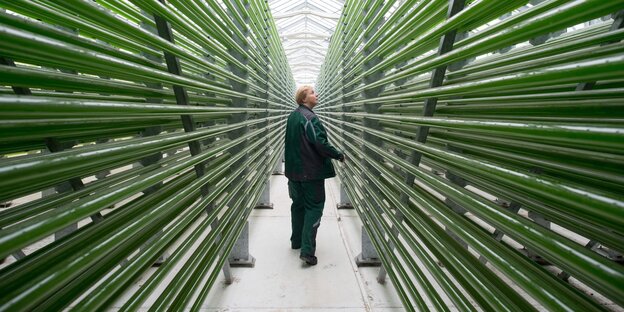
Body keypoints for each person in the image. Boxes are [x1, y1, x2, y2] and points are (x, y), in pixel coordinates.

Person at [285, 85, 345, 266]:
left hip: (294, 173)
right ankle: (307, 252)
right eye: (312, 93)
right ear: (304, 99)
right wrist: (338, 154)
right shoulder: (309, 118)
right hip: (310, 174)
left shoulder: (293, 116)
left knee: (298, 206)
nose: (316, 94)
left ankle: (296, 242)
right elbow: (319, 143)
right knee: (314, 208)